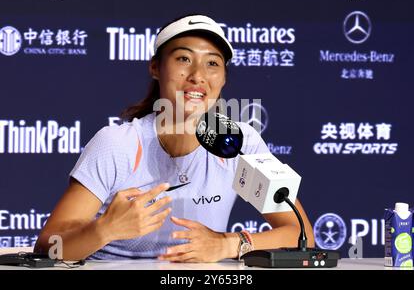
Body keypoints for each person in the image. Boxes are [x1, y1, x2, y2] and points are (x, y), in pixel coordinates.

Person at [34, 14, 315, 262]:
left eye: (212, 63)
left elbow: (300, 235)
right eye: (183, 59)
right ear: (155, 68)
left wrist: (227, 244)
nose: (197, 76)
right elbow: (49, 245)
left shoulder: (239, 141)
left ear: (224, 79)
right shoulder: (117, 143)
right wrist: (104, 229)